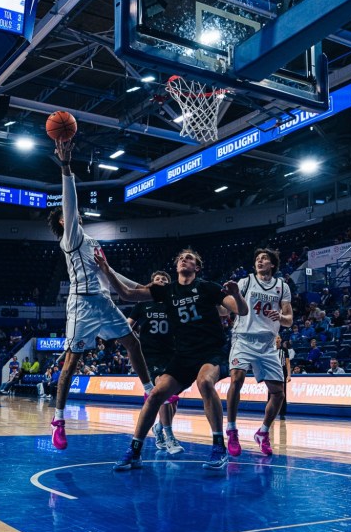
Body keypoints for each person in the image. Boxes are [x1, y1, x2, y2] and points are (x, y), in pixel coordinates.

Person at [46, 139, 153, 450]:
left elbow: (118, 278)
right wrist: (66, 167)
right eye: (68, 214)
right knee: (71, 363)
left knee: (133, 342)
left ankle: (149, 390)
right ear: (64, 223)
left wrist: (152, 291)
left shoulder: (92, 242)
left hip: (103, 302)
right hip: (81, 305)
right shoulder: (71, 239)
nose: (74, 214)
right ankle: (59, 419)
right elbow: (69, 204)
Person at [97, 248, 247, 471]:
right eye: (181, 258)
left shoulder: (208, 287)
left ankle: (218, 447)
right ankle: (135, 450)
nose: (184, 260)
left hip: (210, 352)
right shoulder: (167, 291)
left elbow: (242, 311)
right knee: (156, 393)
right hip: (183, 355)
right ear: (176, 267)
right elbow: (128, 294)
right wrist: (107, 270)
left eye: (190, 258)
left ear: (197, 267)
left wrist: (236, 293)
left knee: (204, 382)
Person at [224, 249, 293, 456]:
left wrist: (280, 316)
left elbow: (289, 320)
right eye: (257, 259)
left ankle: (263, 432)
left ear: (272, 264)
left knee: (278, 393)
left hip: (268, 343)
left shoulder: (282, 287)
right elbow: (228, 305)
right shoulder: (245, 282)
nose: (259, 261)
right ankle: (232, 429)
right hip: (243, 338)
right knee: (236, 378)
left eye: (264, 259)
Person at [128, 270, 183, 455]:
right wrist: (132, 340)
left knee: (172, 400)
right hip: (149, 356)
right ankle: (169, 436)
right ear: (151, 284)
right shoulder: (142, 304)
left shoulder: (173, 303)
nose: (161, 280)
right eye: (157, 279)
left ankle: (159, 427)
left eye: (164, 279)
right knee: (163, 393)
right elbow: (128, 325)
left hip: (172, 354)